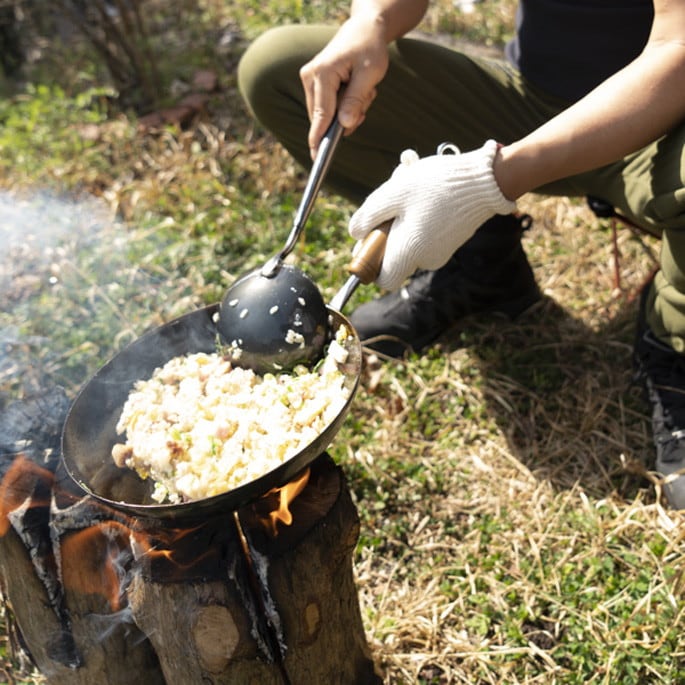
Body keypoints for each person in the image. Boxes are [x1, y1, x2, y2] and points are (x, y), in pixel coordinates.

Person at [236, 0, 685, 509]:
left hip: (669, 117)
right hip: (540, 100)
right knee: (278, 69)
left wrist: (488, 178)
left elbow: (678, 48)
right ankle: (481, 264)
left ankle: (674, 339)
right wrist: (372, 22)